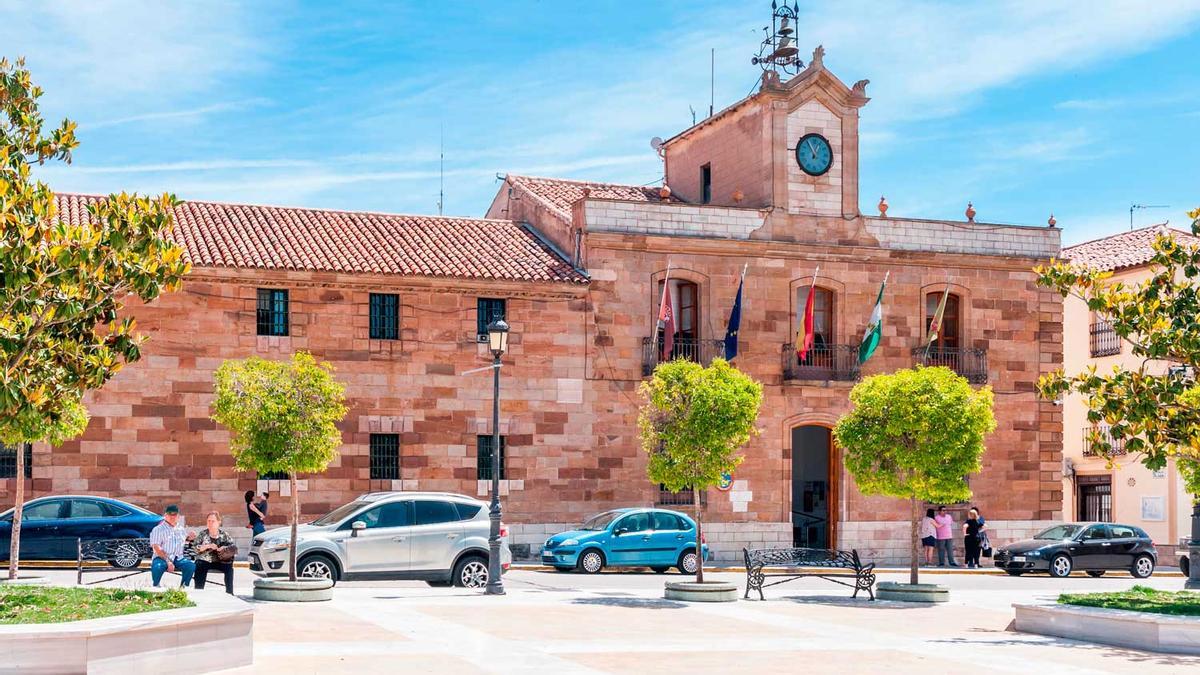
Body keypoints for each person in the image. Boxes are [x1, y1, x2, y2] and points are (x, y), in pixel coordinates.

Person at [150, 504, 196, 587]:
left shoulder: (181, 529)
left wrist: (189, 537)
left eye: (174, 515)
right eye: (169, 514)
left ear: (178, 516)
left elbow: (184, 539)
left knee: (190, 566)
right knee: (158, 566)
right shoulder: (158, 529)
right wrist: (168, 561)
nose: (172, 517)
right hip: (161, 558)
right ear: (165, 516)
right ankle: (156, 587)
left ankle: (183, 587)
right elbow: (156, 547)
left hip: (178, 558)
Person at [194, 510, 236, 594]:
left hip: (220, 561)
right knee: (199, 565)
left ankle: (230, 593)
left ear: (218, 522)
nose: (210, 523)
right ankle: (198, 592)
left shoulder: (224, 535)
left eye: (213, 521)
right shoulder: (203, 534)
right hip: (205, 561)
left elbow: (232, 547)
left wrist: (224, 548)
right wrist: (207, 546)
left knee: (229, 568)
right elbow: (195, 548)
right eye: (208, 521)